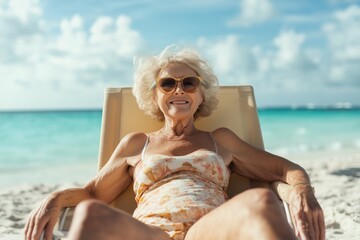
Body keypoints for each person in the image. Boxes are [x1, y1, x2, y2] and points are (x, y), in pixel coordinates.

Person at [25, 45, 325, 240]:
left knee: (262, 200)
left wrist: (302, 191)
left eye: (189, 83)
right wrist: (54, 199)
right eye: (167, 83)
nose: (178, 89)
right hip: (150, 234)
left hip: (208, 231)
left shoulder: (220, 140)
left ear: (201, 95)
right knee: (89, 214)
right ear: (155, 95)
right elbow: (93, 193)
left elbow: (285, 169)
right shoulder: (137, 144)